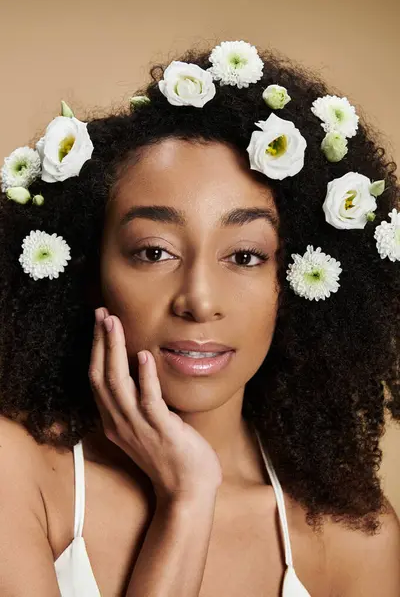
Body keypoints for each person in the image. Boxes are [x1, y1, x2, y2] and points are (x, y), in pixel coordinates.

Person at [0, 39, 399, 597]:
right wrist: (186, 501)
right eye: (154, 251)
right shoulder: (14, 472)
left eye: (245, 256)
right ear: (90, 271)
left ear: (294, 285)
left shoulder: (355, 538)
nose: (199, 299)